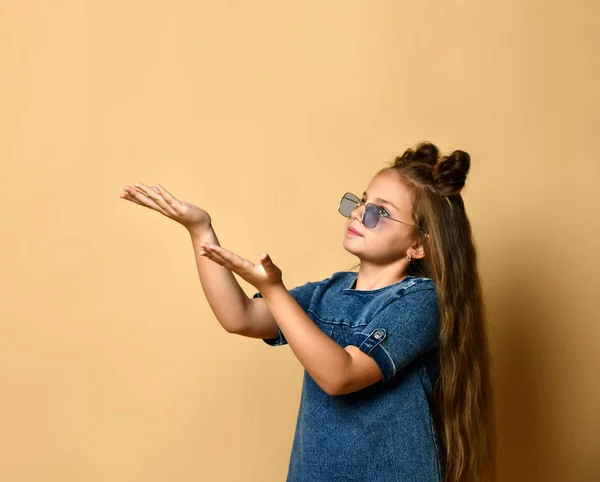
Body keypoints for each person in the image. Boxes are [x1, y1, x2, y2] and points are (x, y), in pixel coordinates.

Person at [119, 141, 497, 482]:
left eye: (379, 212)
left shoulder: (421, 302)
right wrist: (201, 230)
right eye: (362, 202)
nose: (358, 213)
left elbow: (341, 375)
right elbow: (241, 318)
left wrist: (273, 289)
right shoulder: (326, 293)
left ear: (418, 245)